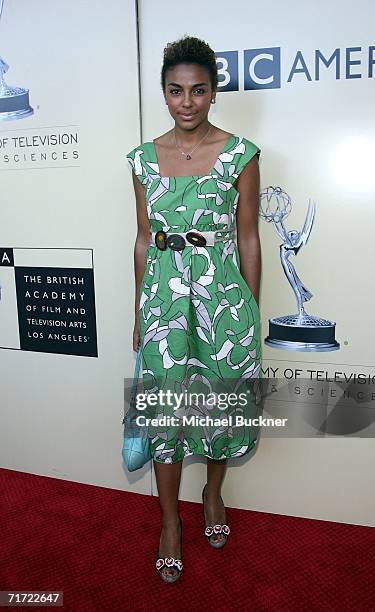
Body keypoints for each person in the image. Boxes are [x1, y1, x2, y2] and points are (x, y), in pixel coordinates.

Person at [126, 35, 262, 583]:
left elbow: (249, 238)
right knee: (164, 411)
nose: (187, 102)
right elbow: (142, 239)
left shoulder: (240, 155)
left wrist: (250, 309)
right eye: (176, 91)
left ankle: (212, 492)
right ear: (163, 93)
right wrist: (139, 311)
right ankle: (168, 523)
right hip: (162, 304)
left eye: (198, 91)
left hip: (223, 302)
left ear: (213, 92)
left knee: (219, 406)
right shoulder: (141, 160)